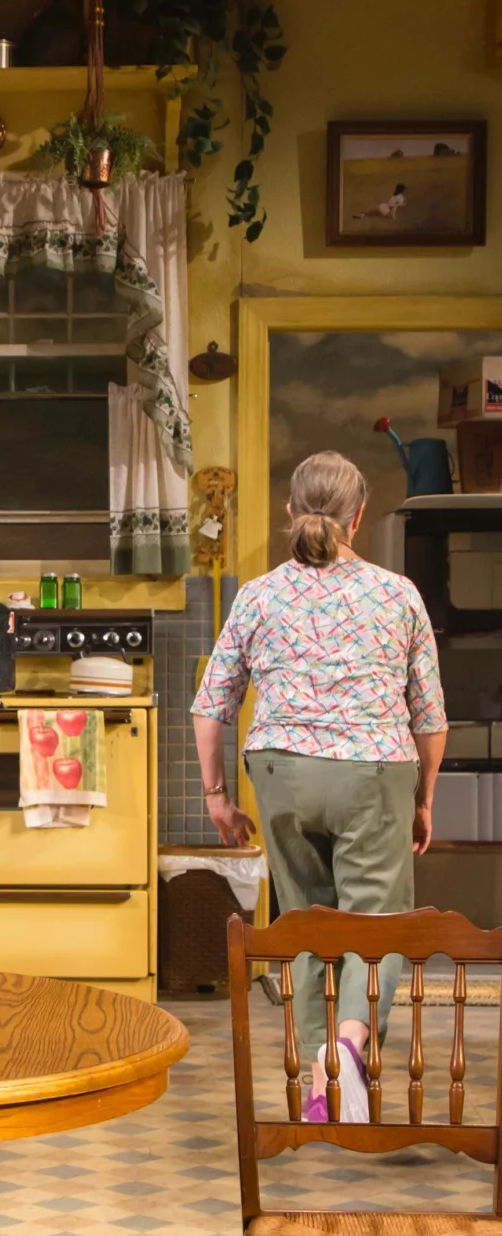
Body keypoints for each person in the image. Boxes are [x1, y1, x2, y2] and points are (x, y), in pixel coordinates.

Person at [192, 450, 447, 1122]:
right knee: (377, 921)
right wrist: (423, 800)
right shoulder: (398, 595)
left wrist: (217, 797)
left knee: (303, 919)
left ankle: (318, 1080)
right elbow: (430, 717)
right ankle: (353, 1045)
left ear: (289, 512)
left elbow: (210, 705)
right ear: (359, 517)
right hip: (373, 772)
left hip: (282, 772)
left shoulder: (258, 595)